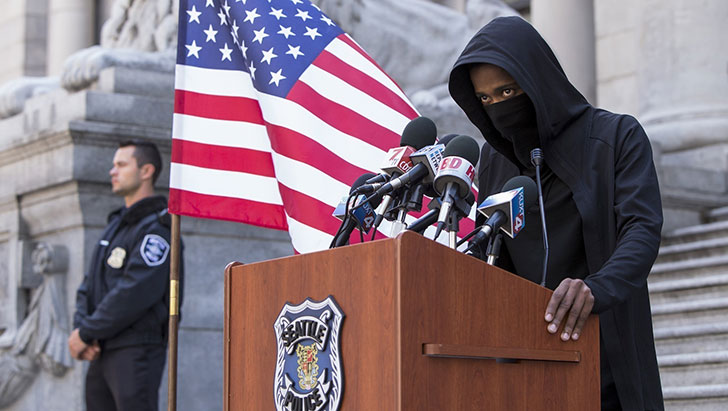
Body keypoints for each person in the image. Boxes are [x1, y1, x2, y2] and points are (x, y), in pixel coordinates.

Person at [448, 16, 663, 410]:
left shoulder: (616, 138)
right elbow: (491, 255)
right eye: (485, 99)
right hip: (525, 366)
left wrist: (596, 288)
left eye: (507, 91)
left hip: (608, 355)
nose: (498, 107)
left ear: (537, 80)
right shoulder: (493, 161)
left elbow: (642, 229)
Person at [68, 139, 181, 411]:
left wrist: (87, 332)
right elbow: (89, 285)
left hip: (135, 349)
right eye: (113, 165)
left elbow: (136, 290)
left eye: (121, 164)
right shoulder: (116, 225)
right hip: (101, 348)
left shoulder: (158, 228)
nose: (112, 171)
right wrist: (84, 330)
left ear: (146, 171)